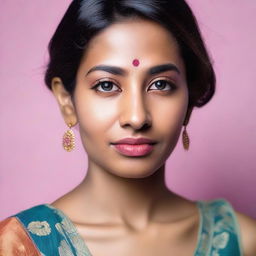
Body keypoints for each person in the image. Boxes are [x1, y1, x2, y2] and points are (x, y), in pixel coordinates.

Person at [0, 0, 256, 255]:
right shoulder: (17, 246)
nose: (136, 117)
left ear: (189, 100)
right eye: (107, 85)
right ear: (67, 101)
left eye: (161, 85)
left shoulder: (244, 242)